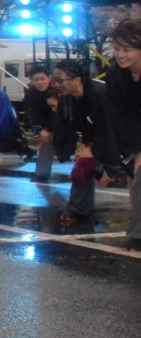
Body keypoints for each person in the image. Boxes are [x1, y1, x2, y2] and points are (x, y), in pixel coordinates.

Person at [51, 60, 124, 224]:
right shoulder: (67, 99)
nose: (56, 85)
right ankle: (78, 209)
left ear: (77, 80)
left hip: (122, 138)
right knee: (82, 168)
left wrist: (93, 149)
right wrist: (80, 145)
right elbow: (67, 125)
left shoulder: (102, 92)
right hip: (95, 140)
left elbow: (110, 125)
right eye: (54, 80)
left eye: (60, 80)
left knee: (131, 175)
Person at [104, 19, 141, 251]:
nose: (120, 55)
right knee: (136, 177)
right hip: (134, 128)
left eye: (127, 49)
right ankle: (138, 234)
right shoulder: (116, 73)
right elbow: (119, 115)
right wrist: (136, 152)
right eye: (117, 48)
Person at [23, 65, 59, 183]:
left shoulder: (58, 90)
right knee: (45, 142)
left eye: (42, 78)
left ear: (49, 78)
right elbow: (35, 113)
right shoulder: (32, 92)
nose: (40, 82)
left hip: (65, 122)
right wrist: (38, 130)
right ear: (31, 81)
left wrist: (48, 129)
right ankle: (42, 173)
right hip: (47, 123)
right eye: (36, 80)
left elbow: (60, 112)